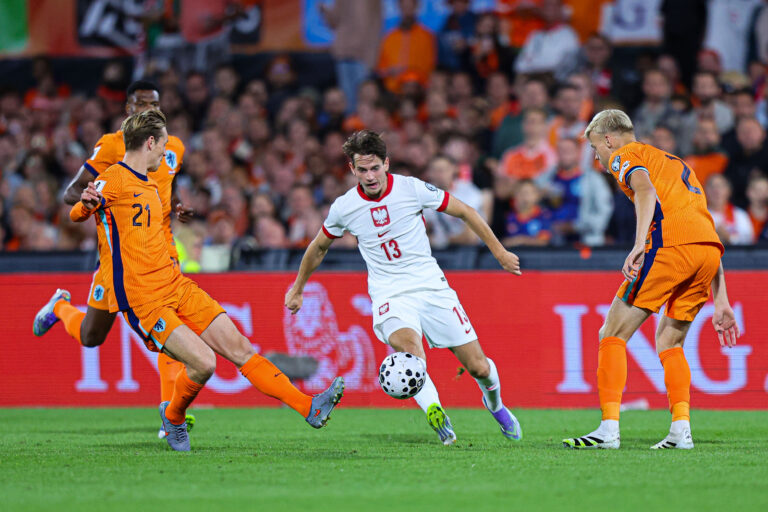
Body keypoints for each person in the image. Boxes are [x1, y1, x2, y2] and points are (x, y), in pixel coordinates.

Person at [67, 110, 344, 451]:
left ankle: (309, 407)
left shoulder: (151, 185)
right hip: (144, 298)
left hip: (175, 285)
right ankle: (174, 417)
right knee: (204, 363)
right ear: (150, 142)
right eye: (163, 146)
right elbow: (79, 210)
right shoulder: (114, 178)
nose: (165, 154)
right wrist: (86, 203)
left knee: (241, 349)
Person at [285, 130, 523, 445]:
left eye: (375, 168)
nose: (370, 176)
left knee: (479, 367)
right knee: (411, 354)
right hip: (389, 295)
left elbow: (465, 211)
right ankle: (437, 414)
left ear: (386, 164)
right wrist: (298, 287)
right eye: (362, 170)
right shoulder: (344, 207)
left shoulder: (411, 189)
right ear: (352, 170)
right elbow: (318, 248)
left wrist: (500, 252)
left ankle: (497, 407)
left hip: (430, 287)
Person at [563, 109, 740, 450]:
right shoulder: (674, 161)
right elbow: (703, 227)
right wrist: (722, 299)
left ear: (609, 138)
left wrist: (639, 245)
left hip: (669, 246)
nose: (597, 157)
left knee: (611, 333)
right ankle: (680, 432)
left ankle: (608, 430)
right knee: (670, 343)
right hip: (707, 252)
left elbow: (644, 192)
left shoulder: (625, 155)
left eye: (596, 147)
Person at [32, 80, 195, 439]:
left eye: (154, 105)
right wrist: (90, 198)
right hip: (117, 258)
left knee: (167, 327)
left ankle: (172, 417)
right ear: (127, 108)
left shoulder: (173, 147)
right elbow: (71, 193)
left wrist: (178, 205)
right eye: (140, 104)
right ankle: (61, 307)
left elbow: (168, 183)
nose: (147, 111)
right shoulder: (112, 145)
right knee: (92, 336)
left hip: (159, 251)